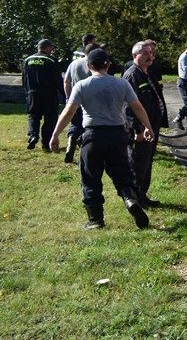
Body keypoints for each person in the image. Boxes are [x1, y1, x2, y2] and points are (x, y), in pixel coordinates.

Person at [47, 48, 153, 230]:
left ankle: (96, 220)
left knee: (90, 177)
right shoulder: (122, 84)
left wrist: (55, 134)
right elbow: (137, 107)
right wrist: (148, 127)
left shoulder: (82, 85)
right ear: (108, 65)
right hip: (118, 135)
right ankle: (130, 200)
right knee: (122, 174)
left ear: (88, 66)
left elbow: (69, 111)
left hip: (93, 136)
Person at [123, 41, 164, 208]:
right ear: (135, 56)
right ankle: (135, 201)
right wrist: (137, 130)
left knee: (146, 164)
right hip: (141, 131)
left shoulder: (145, 73)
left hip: (151, 128)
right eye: (145, 53)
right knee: (137, 166)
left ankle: (143, 197)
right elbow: (128, 108)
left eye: (151, 53)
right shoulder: (132, 76)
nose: (150, 56)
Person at [63, 41, 100, 164]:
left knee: (75, 124)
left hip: (75, 99)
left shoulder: (73, 64)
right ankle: (85, 152)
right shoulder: (93, 64)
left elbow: (66, 81)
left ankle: (70, 146)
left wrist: (68, 97)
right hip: (91, 101)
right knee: (88, 127)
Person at [22, 39, 62, 151]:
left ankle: (33, 135)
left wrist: (27, 91)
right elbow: (57, 80)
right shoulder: (51, 60)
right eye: (51, 48)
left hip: (32, 93)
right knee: (50, 119)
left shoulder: (27, 60)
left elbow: (24, 78)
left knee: (33, 115)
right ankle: (46, 143)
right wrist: (63, 93)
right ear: (46, 48)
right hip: (49, 94)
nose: (52, 50)